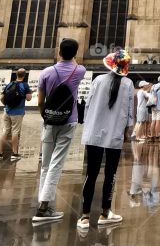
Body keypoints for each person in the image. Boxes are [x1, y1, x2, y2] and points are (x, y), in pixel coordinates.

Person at [78, 49, 134, 230]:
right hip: (115, 135)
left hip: (94, 133)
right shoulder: (128, 84)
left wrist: (88, 126)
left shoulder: (98, 80)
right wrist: (127, 132)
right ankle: (105, 212)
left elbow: (88, 105)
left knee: (91, 174)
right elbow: (129, 114)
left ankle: (85, 216)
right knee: (111, 174)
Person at [34, 38, 86, 224]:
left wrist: (45, 116)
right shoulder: (79, 70)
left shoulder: (46, 73)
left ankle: (44, 204)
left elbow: (40, 101)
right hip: (68, 120)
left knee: (46, 165)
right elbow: (77, 64)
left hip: (49, 122)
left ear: (59, 51)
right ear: (75, 53)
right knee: (56, 164)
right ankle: (44, 206)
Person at [0, 68, 32, 161]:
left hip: (7, 111)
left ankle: (0, 154)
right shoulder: (24, 85)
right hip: (18, 112)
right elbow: (29, 98)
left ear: (16, 74)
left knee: (5, 131)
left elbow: (1, 97)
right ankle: (14, 154)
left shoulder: (10, 84)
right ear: (24, 76)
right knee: (15, 131)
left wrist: (6, 106)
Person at [149, 75, 160, 141]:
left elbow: (150, 95)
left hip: (153, 106)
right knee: (158, 121)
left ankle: (151, 136)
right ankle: (157, 136)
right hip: (159, 107)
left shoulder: (153, 86)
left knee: (153, 121)